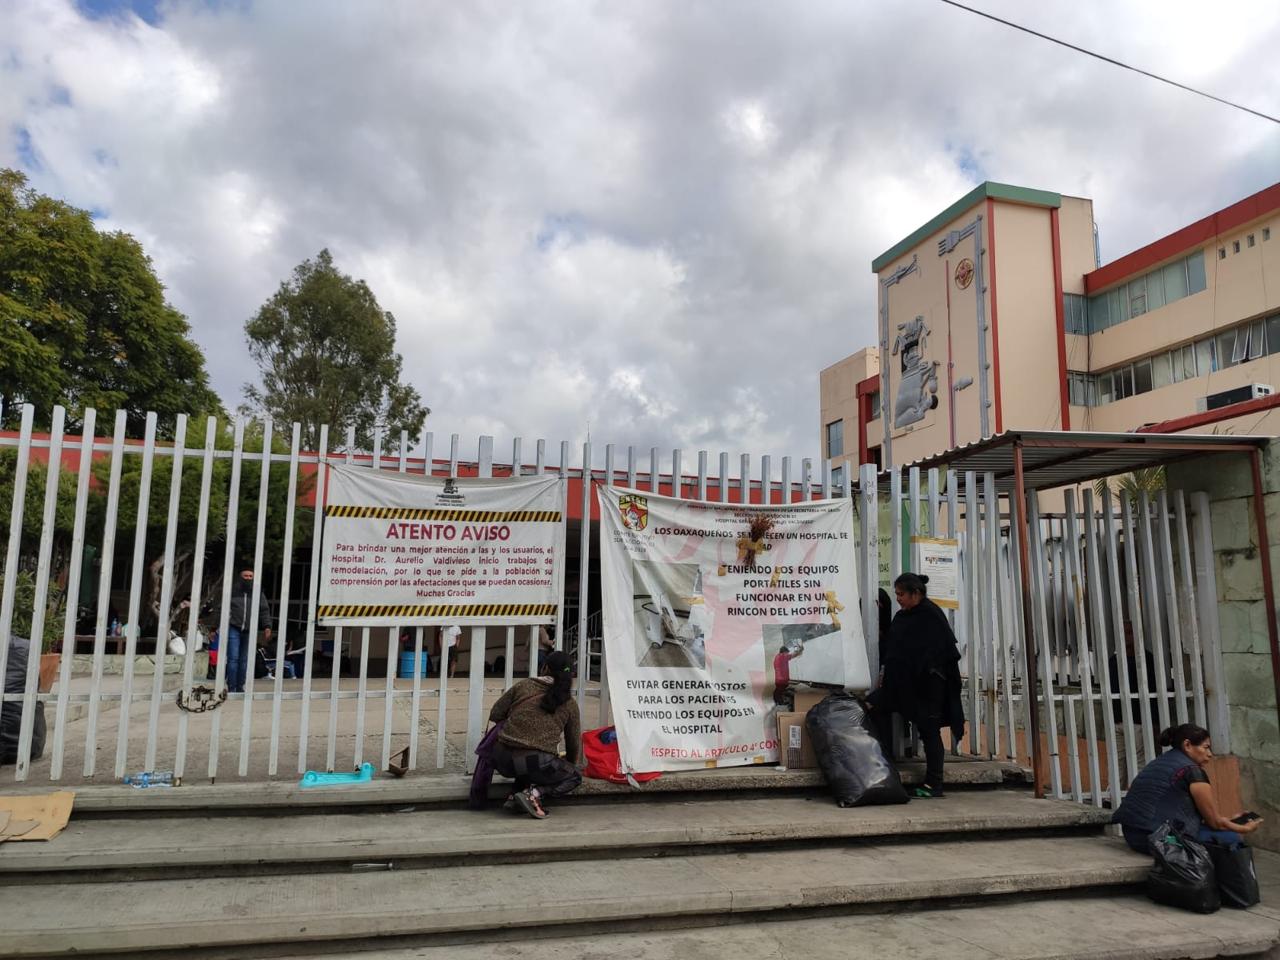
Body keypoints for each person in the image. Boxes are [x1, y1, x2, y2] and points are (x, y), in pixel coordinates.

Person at [867, 572, 965, 799]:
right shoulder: (902, 617)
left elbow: (942, 655)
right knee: (874, 706)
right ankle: (883, 766)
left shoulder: (931, 616)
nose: (898, 599)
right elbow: (895, 653)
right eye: (897, 594)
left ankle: (934, 784)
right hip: (903, 685)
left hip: (929, 687)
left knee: (929, 730)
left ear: (916, 593)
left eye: (902, 594)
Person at [1112, 722, 1263, 853]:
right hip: (1158, 839)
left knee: (1213, 830)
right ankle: (1220, 886)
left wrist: (1230, 820)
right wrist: (1243, 828)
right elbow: (1214, 822)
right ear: (1187, 745)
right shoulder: (1193, 772)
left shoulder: (1159, 762)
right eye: (1206, 748)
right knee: (1230, 838)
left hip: (1132, 835)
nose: (1210, 754)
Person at [487, 650, 582, 818]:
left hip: (500, 757)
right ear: (570, 675)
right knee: (573, 776)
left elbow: (495, 713)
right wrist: (569, 766)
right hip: (534, 761)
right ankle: (534, 794)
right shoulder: (569, 703)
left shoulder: (523, 686)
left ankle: (513, 797)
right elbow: (573, 744)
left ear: (544, 667)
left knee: (530, 765)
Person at [212, 566, 274, 694]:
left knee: (244, 659)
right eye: (245, 576)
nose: (248, 578)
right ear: (240, 577)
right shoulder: (232, 591)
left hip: (249, 629)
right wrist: (214, 627)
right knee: (233, 658)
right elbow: (220, 609)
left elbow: (264, 610)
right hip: (233, 627)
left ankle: (240, 687)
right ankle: (232, 687)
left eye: (250, 576)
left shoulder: (257, 593)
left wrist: (267, 626)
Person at [772, 640, 803, 711]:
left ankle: (779, 702)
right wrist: (799, 649)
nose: (787, 654)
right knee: (779, 691)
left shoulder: (778, 657)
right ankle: (779, 703)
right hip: (782, 679)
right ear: (784, 652)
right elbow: (793, 655)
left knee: (779, 691)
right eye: (787, 652)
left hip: (780, 678)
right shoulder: (781, 656)